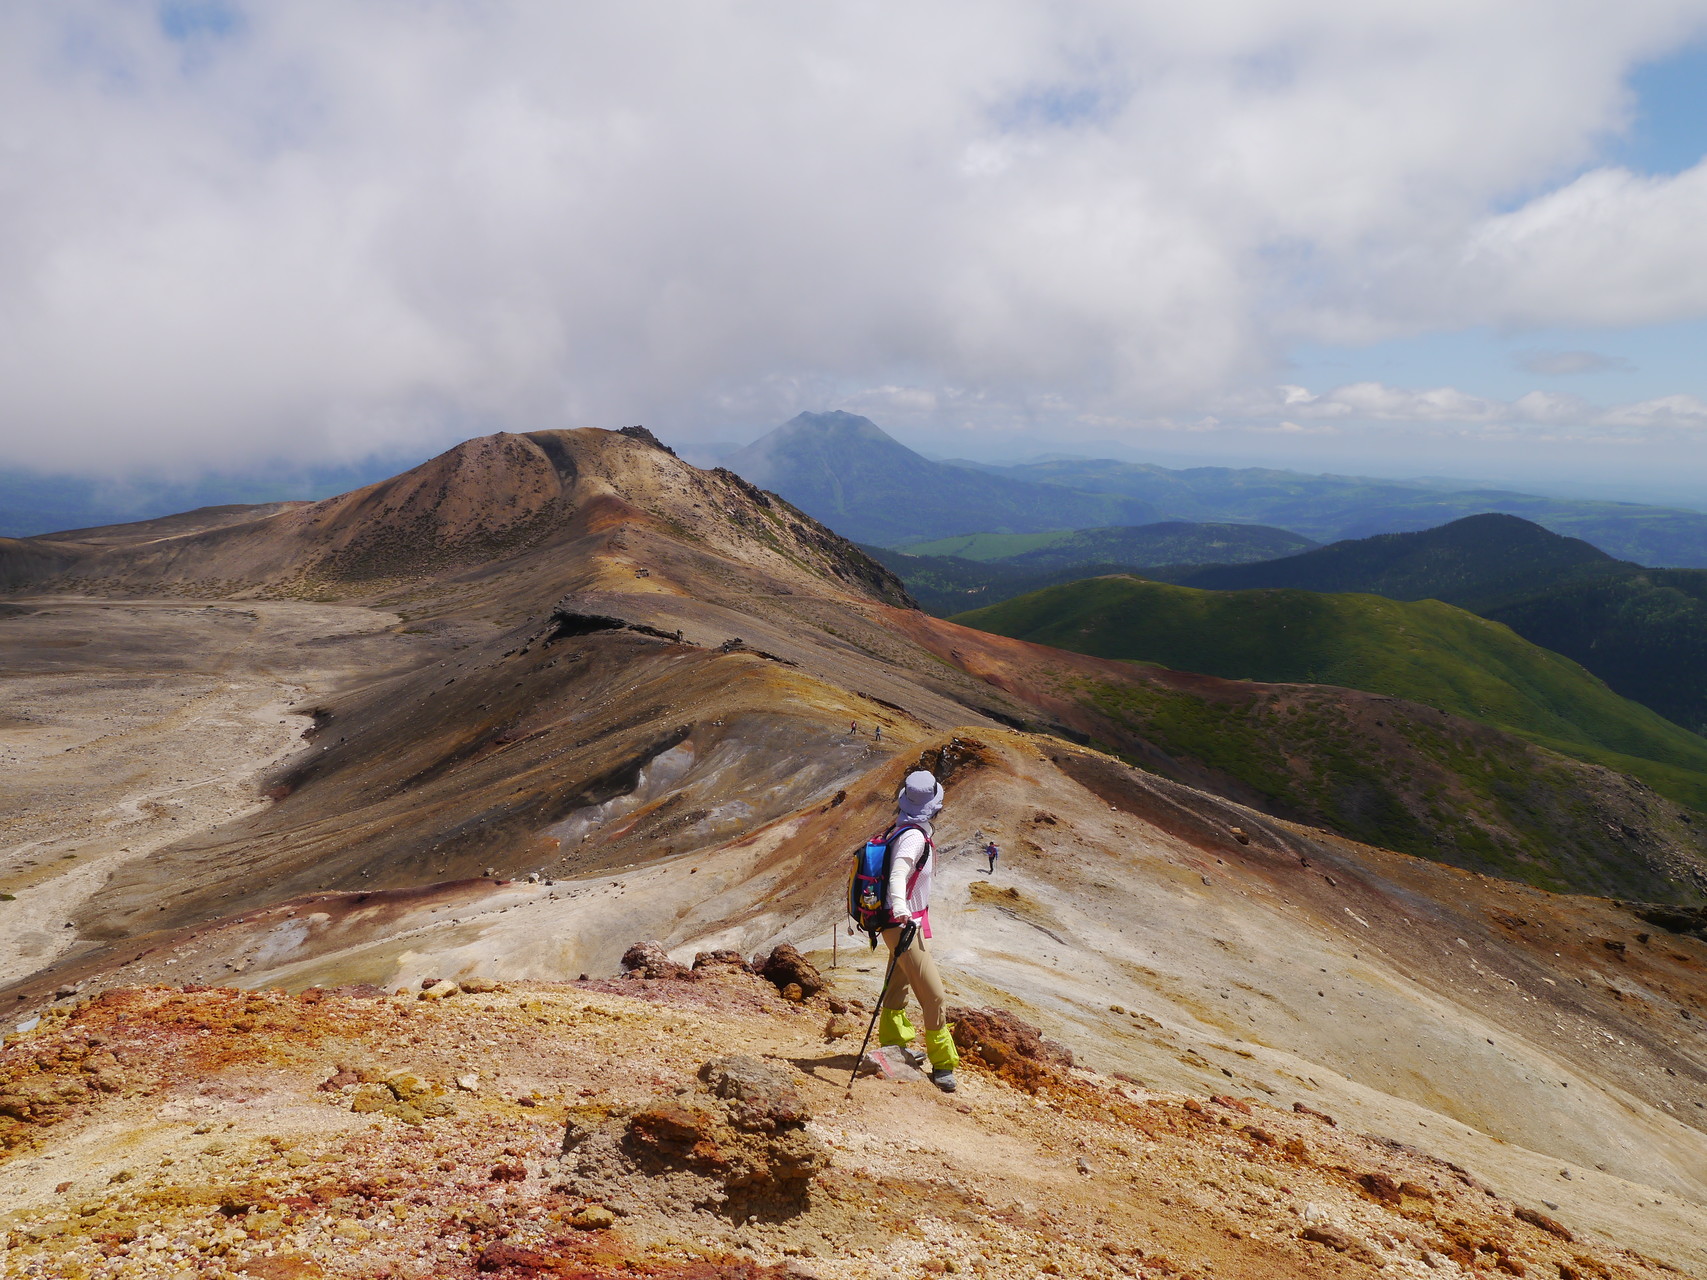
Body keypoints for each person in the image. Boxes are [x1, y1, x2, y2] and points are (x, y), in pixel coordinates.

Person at [877, 769, 960, 1092]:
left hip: (901, 924)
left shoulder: (901, 828)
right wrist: (901, 909)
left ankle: (894, 1045)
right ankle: (942, 1063)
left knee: (898, 985)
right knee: (934, 996)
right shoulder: (913, 837)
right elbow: (898, 875)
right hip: (903, 925)